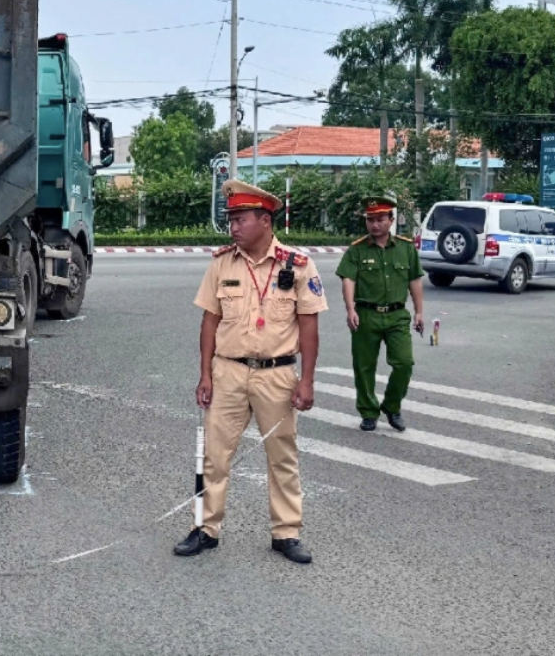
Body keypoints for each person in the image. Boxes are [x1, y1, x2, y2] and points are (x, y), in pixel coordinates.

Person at [175, 179, 327, 565]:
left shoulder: (299, 265)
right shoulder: (221, 264)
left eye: (240, 219)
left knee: (282, 456)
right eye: (232, 220)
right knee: (215, 455)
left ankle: (286, 532)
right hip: (228, 372)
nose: (233, 227)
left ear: (264, 220)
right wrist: (205, 375)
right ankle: (206, 528)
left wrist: (306, 380)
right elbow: (209, 322)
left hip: (276, 375)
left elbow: (309, 326)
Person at [335, 195, 425, 432]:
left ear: (391, 220)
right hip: (366, 314)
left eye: (380, 219)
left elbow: (414, 280)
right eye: (370, 220)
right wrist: (350, 308)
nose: (375, 224)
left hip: (397, 315)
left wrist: (419, 312)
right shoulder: (357, 250)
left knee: (404, 363)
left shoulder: (406, 248)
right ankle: (368, 411)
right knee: (364, 366)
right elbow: (348, 279)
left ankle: (392, 406)